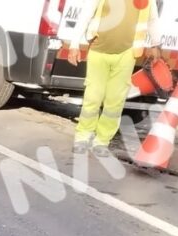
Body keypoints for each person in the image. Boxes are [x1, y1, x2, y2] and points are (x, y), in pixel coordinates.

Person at [67, 0, 161, 157]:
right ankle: (82, 138)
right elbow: (86, 15)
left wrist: (156, 44)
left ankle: (102, 141)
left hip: (127, 54)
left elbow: (152, 20)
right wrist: (74, 44)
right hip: (99, 51)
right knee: (93, 97)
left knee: (115, 101)